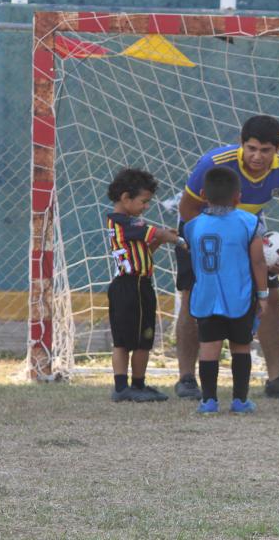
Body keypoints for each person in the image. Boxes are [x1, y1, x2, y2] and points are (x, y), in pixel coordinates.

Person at [175, 115, 279, 400]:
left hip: (247, 236)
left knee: (270, 298)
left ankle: (276, 378)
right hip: (204, 235)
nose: (257, 156)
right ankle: (186, 378)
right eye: (251, 148)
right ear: (241, 143)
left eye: (265, 150)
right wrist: (208, 241)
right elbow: (187, 209)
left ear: (278, 149)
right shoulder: (213, 163)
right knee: (193, 300)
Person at [184, 167, 269, 414]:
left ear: (202, 194)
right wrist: (263, 295)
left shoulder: (192, 226)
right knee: (241, 347)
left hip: (206, 298)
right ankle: (240, 400)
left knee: (208, 348)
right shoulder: (249, 223)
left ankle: (209, 401)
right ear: (238, 197)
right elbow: (258, 262)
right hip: (239, 297)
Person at [105, 168, 184, 403]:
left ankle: (137, 385)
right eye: (144, 201)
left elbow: (145, 250)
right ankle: (123, 388)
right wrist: (178, 240)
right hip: (129, 287)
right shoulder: (121, 222)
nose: (146, 206)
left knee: (141, 339)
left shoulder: (130, 225)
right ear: (125, 198)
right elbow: (156, 232)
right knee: (126, 340)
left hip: (140, 286)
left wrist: (160, 240)